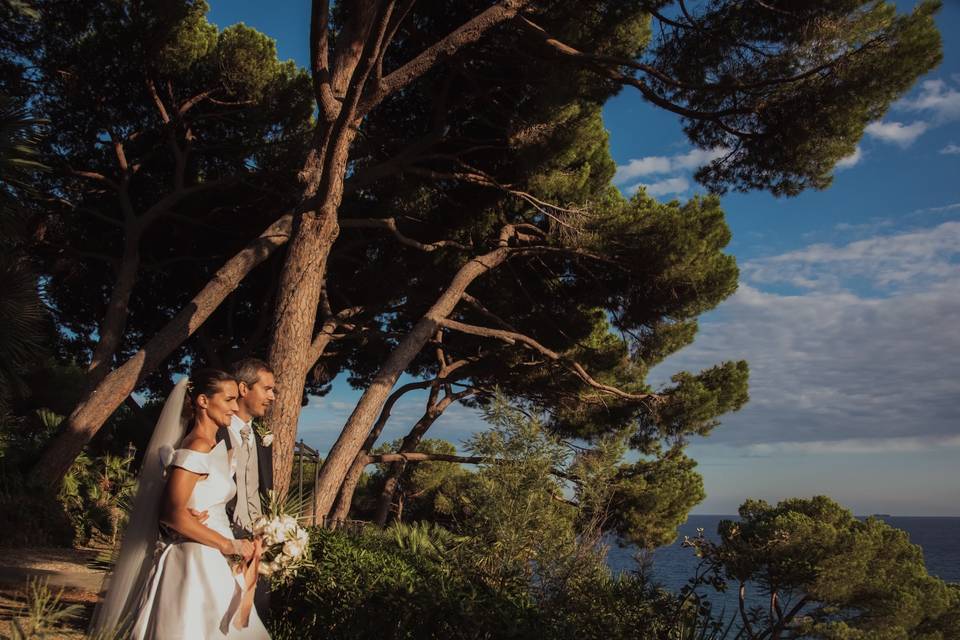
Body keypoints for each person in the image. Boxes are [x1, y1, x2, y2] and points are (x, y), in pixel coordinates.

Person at [91, 369, 270, 639]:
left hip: (213, 557)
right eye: (229, 399)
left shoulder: (213, 446)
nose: (235, 407)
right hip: (196, 560)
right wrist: (229, 545)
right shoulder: (196, 446)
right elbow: (171, 514)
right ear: (203, 401)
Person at [220, 358, 276, 618]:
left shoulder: (263, 440)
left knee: (253, 619)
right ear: (244, 389)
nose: (272, 397)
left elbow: (263, 493)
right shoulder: (213, 432)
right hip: (219, 546)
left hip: (256, 549)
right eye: (267, 389)